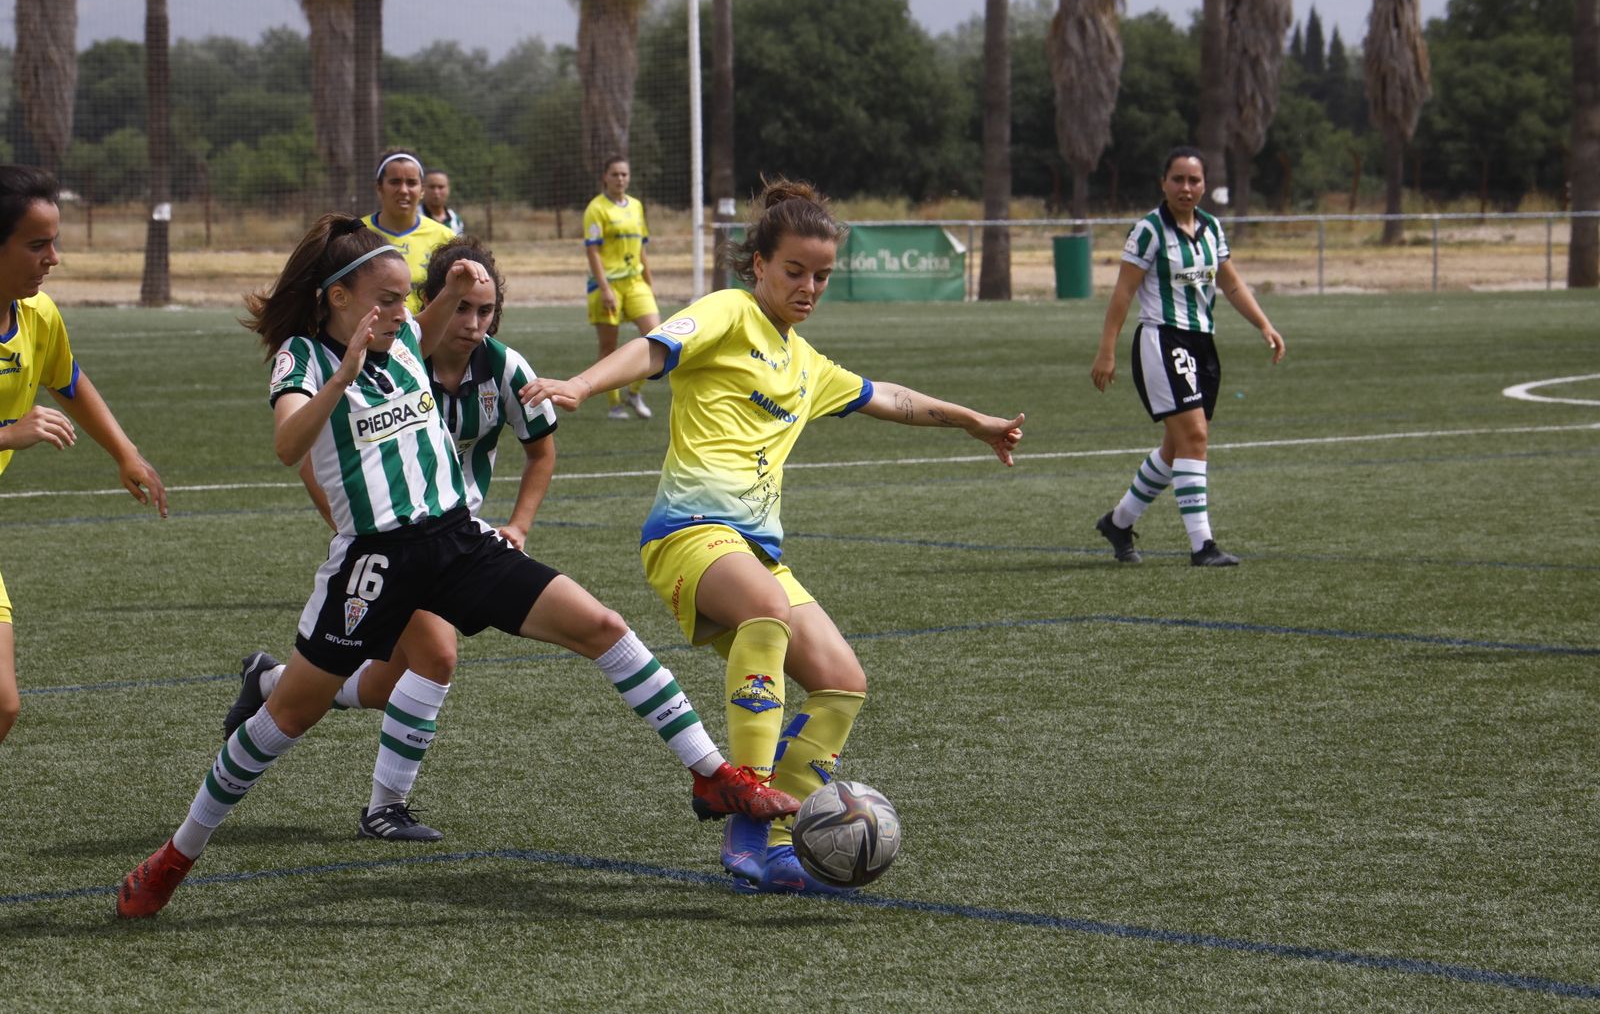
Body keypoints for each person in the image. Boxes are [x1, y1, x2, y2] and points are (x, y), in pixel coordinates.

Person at [115, 215, 798, 919]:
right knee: (289, 715)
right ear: (336, 299)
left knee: (602, 625)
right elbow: (289, 444)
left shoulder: (409, 331)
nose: (399, 311)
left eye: (404, 297)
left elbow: (442, 313)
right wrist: (344, 372)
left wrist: (464, 282)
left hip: (459, 539)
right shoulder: (304, 357)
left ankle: (712, 774)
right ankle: (175, 856)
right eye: (383, 299)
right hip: (373, 561)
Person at [522, 179, 1025, 894]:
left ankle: (765, 843)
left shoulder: (806, 364)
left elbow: (892, 398)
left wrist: (973, 419)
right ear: (757, 264)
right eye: (795, 271)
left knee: (843, 684)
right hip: (688, 535)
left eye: (822, 275)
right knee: (767, 611)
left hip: (755, 553)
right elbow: (654, 351)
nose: (809, 287)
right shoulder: (728, 314)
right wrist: (581, 384)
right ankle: (743, 787)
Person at [223, 236, 558, 843]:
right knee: (437, 657)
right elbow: (301, 450)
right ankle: (384, 808)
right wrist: (357, 528)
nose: (472, 322)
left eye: (485, 311)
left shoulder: (498, 365)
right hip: (391, 539)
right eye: (459, 307)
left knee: (385, 683)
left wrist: (518, 526)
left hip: (457, 537)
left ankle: (270, 682)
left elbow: (542, 450)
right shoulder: (380, 350)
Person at [0, 165, 167, 747]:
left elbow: (68, 381)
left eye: (55, 242)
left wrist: (126, 452)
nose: (54, 258)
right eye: (37, 244)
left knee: (3, 705)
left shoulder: (35, 315)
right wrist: (6, 434)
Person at [1089, 146, 1285, 567]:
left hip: (1202, 344)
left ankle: (1118, 522)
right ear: (1163, 183)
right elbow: (1123, 293)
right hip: (1162, 340)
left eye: (1194, 180)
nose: (1186, 187)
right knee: (1195, 436)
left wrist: (1264, 324)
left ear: (1205, 186)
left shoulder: (1212, 228)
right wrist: (1107, 351)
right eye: (1177, 179)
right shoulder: (1148, 231)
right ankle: (1203, 546)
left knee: (1177, 447)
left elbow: (1231, 285)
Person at [583, 156, 657, 421]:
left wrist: (649, 282)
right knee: (608, 347)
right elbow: (593, 251)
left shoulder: (636, 206)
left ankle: (634, 392)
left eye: (624, 174)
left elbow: (642, 249)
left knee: (659, 337)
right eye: (615, 174)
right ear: (605, 177)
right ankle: (614, 404)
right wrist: (604, 288)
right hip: (608, 284)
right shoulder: (596, 208)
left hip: (635, 282)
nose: (620, 179)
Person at [365, 148, 454, 312]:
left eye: (411, 183)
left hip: (427, 336)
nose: (404, 190)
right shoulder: (358, 234)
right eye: (395, 182)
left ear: (422, 190)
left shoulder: (445, 238)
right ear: (379, 187)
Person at [421, 169, 466, 236]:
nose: (436, 192)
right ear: (422, 188)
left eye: (441, 187)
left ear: (448, 189)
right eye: (432, 187)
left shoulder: (456, 220)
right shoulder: (414, 217)